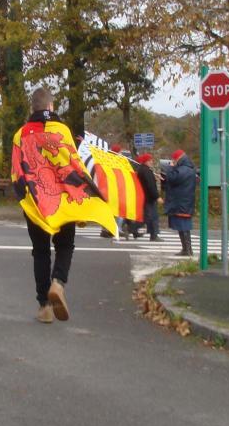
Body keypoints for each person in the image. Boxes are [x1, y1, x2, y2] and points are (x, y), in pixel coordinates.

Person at [12, 87, 116, 323]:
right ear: (51, 107)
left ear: (33, 108)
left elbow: (17, 172)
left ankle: (44, 306)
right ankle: (58, 283)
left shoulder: (20, 135)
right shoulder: (63, 131)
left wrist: (24, 199)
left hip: (37, 203)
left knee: (40, 252)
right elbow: (74, 165)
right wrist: (89, 194)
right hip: (63, 201)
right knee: (65, 246)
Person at [163, 149, 197, 256]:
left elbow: (173, 178)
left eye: (174, 160)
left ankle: (187, 249)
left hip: (181, 202)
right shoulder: (188, 169)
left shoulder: (182, 170)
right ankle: (186, 249)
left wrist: (170, 168)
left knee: (184, 227)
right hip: (184, 201)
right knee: (183, 227)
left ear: (177, 158)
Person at [134, 153, 164, 242]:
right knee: (151, 217)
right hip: (149, 198)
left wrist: (153, 177)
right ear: (146, 161)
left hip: (146, 197)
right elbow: (150, 186)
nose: (152, 162)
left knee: (149, 217)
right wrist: (157, 197)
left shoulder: (143, 170)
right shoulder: (146, 171)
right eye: (150, 160)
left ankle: (152, 234)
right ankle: (134, 228)